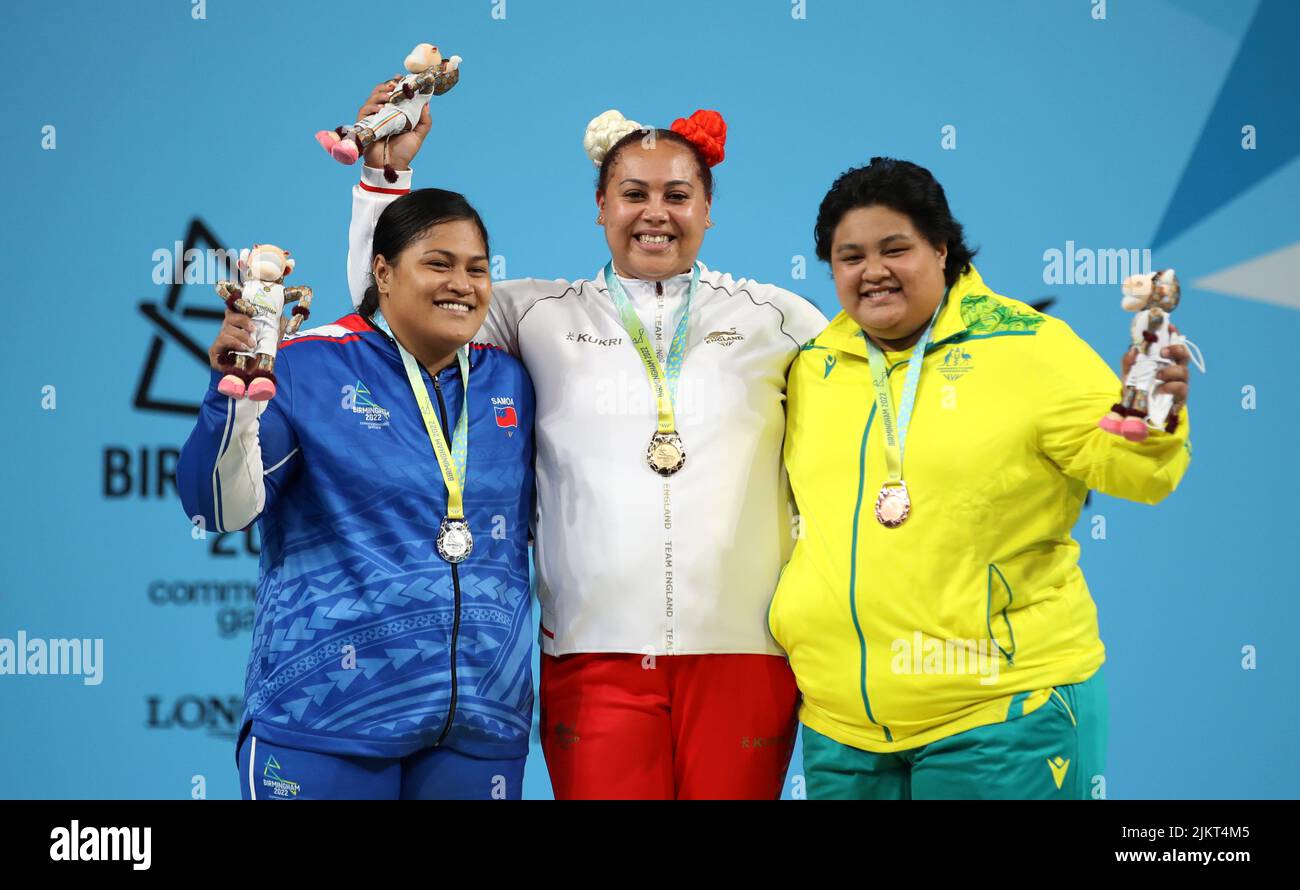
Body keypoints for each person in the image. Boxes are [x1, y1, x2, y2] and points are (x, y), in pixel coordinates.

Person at [345, 85, 827, 799]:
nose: (655, 213)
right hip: (592, 658)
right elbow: (391, 310)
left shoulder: (778, 317)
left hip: (746, 657)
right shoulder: (533, 312)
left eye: (677, 194)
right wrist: (384, 182)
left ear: (708, 210)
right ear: (601, 206)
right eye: (633, 193)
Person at [769, 157, 1194, 799]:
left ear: (942, 248)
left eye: (896, 248)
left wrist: (1154, 411)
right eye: (849, 256)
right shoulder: (815, 366)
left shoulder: (1029, 347)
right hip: (843, 732)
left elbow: (1136, 470)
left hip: (1001, 718)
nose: (873, 270)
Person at [178, 188, 537, 799]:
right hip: (323, 725)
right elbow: (219, 508)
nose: (462, 283)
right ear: (382, 272)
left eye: (477, 269)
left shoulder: (513, 379)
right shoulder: (308, 366)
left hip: (479, 730)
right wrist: (233, 403)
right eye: (438, 263)